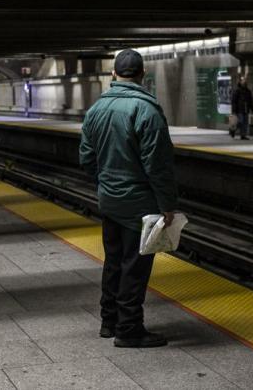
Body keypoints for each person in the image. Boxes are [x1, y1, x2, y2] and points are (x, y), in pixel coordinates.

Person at [80, 49, 178, 348]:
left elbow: (86, 158)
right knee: (134, 268)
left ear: (113, 74)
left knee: (113, 262)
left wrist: (105, 183)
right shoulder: (147, 110)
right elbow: (158, 166)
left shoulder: (95, 110)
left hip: (109, 201)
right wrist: (167, 206)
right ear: (142, 75)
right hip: (140, 206)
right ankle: (129, 329)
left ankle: (109, 322)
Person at [230, 76, 253, 140]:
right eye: (243, 81)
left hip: (246, 109)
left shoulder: (248, 91)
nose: (244, 82)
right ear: (240, 82)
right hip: (239, 109)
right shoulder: (237, 90)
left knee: (245, 123)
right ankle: (233, 130)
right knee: (240, 121)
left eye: (245, 81)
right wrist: (234, 110)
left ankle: (243, 135)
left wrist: (252, 109)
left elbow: (250, 101)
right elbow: (234, 101)